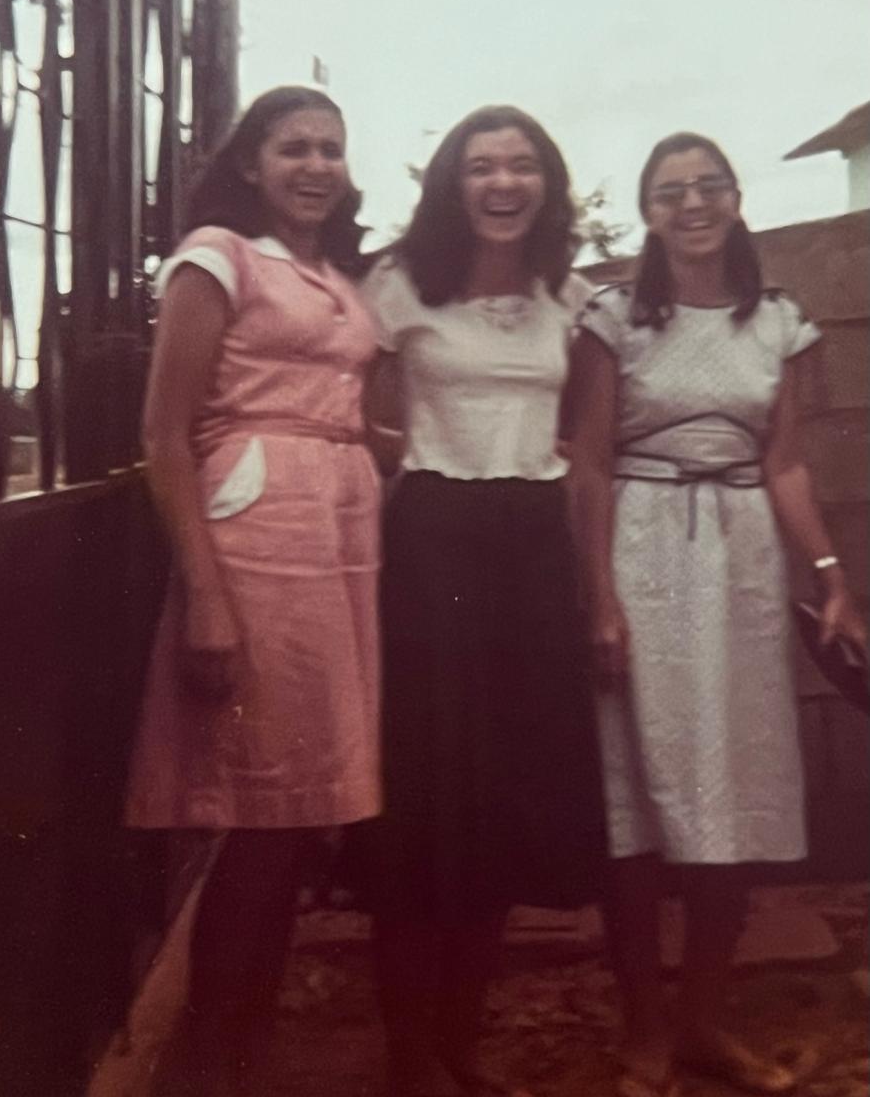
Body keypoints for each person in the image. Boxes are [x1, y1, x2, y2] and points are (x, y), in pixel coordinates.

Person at [567, 132, 867, 1097]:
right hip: (641, 547)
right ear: (648, 212)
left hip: (739, 559)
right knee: (638, 797)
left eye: (709, 186)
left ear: (736, 198)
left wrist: (831, 576)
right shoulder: (613, 317)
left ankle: (701, 1020)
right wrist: (600, 597)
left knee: (733, 789)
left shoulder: (778, 320)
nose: (692, 204)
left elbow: (785, 465)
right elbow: (589, 463)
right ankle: (645, 1030)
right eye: (670, 192)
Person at [125, 85, 381, 1094]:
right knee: (256, 815)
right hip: (260, 537)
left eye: (331, 148)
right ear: (250, 163)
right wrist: (206, 594)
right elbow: (163, 435)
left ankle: (243, 1054)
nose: (315, 166)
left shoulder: (334, 277)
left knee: (295, 816)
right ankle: (218, 1064)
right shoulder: (217, 256)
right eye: (293, 148)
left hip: (338, 538)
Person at [360, 105, 607, 1097]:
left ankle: (461, 1042)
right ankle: (409, 1056)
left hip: (533, 548)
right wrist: (410, 472)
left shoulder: (571, 299)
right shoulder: (397, 286)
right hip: (432, 544)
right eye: (481, 167)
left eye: (521, 166)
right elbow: (364, 421)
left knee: (504, 801)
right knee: (428, 803)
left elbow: (585, 448)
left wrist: (593, 589)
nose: (503, 184)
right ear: (451, 185)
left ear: (546, 183)